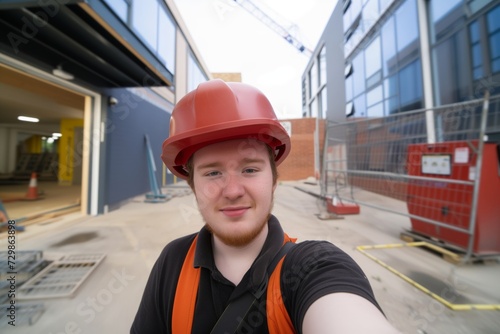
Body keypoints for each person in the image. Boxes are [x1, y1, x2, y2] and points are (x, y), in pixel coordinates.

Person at [131, 79, 400, 333]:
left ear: (273, 180)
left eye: (249, 169)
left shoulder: (312, 267)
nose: (233, 191)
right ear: (192, 186)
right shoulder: (173, 263)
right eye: (213, 173)